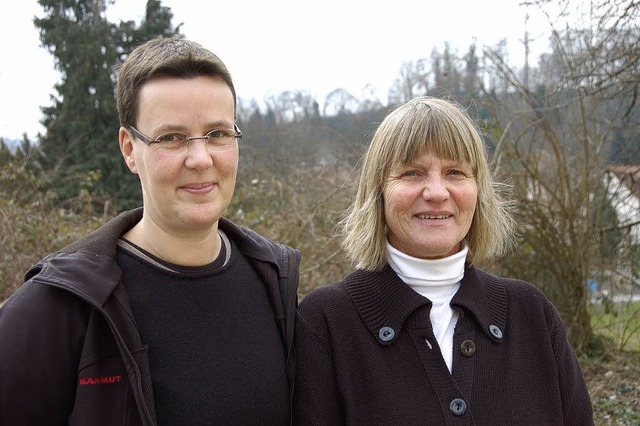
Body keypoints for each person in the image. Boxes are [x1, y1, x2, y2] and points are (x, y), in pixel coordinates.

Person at [0, 36, 301, 425]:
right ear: (129, 149)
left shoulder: (273, 283)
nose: (200, 158)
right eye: (171, 138)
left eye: (218, 134)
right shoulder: (63, 305)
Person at [292, 96, 593, 425]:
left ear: (478, 190)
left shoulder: (532, 315)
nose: (436, 192)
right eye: (412, 173)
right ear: (378, 191)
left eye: (455, 172)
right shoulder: (326, 323)